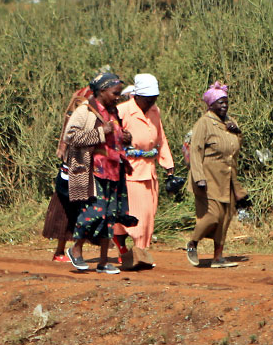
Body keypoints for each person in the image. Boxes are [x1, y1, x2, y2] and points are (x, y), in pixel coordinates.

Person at [64, 72, 136, 274]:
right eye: (115, 92)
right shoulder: (85, 111)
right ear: (102, 91)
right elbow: (71, 137)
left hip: (114, 170)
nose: (118, 96)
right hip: (93, 171)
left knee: (110, 215)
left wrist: (125, 137)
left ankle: (104, 261)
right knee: (93, 213)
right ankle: (75, 250)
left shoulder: (113, 112)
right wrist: (99, 132)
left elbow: (114, 137)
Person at [114, 74, 175, 268]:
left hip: (149, 170)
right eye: (148, 98)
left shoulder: (154, 111)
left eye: (154, 97)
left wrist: (168, 164)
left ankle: (128, 247)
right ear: (137, 95)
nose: (151, 101)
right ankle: (137, 255)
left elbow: (161, 139)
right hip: (129, 170)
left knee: (149, 214)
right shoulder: (122, 111)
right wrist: (119, 137)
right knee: (137, 215)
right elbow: (107, 136)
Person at [186, 81, 247, 268]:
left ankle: (218, 257)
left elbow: (233, 148)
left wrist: (237, 133)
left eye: (226, 101)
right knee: (212, 216)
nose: (224, 105)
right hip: (208, 177)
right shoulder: (204, 123)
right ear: (210, 105)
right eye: (219, 102)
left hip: (227, 178)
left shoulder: (230, 122)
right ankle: (193, 243)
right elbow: (195, 150)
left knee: (225, 218)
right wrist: (199, 177)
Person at [41, 88, 92, 261]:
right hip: (75, 164)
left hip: (78, 164)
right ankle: (64, 251)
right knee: (66, 207)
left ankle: (66, 250)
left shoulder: (84, 100)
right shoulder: (84, 103)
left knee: (74, 207)